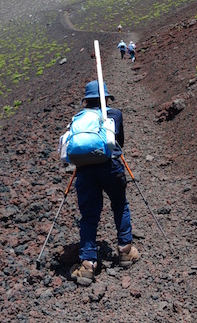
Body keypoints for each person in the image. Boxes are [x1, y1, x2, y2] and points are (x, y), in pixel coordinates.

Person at [70, 80, 140, 286]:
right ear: (106, 98)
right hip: (110, 167)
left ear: (86, 101)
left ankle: (87, 264)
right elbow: (119, 142)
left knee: (89, 216)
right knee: (119, 204)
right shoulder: (115, 115)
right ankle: (126, 251)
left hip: (85, 171)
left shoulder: (79, 118)